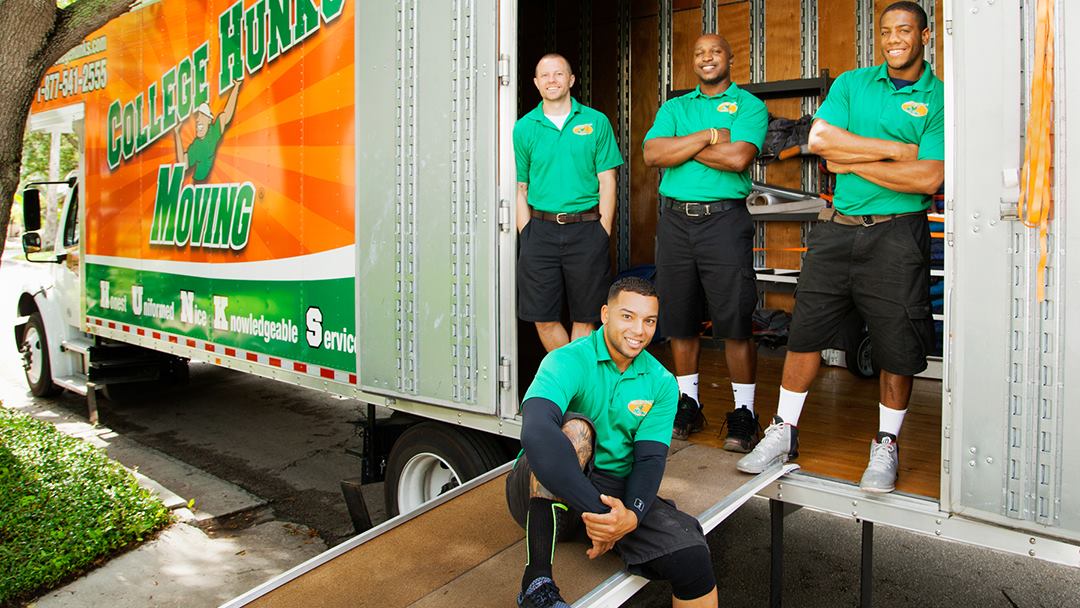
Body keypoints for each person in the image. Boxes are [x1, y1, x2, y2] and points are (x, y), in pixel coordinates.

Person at [736, 1, 945, 494]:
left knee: (896, 339)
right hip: (837, 229)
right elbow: (823, 139)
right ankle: (784, 432)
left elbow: (930, 176)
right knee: (806, 331)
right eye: (887, 31)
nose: (894, 39)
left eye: (905, 31)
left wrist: (856, 160)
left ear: (925, 35)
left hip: (897, 233)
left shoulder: (937, 96)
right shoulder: (852, 83)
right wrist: (895, 150)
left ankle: (887, 444)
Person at [507, 277, 718, 608]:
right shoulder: (567, 360)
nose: (639, 330)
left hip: (611, 490)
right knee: (577, 430)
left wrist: (630, 517)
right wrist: (603, 515)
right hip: (540, 486)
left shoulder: (661, 382)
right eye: (628, 316)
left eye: (649, 321)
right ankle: (536, 583)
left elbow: (649, 460)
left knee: (693, 558)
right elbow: (536, 434)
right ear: (605, 314)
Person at [642, 34, 767, 448]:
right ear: (692, 62)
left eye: (715, 51)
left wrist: (683, 146)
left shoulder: (749, 106)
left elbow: (737, 158)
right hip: (676, 222)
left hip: (724, 222)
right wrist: (711, 135)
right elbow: (652, 154)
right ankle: (688, 405)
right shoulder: (675, 106)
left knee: (733, 320)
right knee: (680, 318)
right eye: (699, 53)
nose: (707, 58)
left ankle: (745, 413)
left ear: (731, 57)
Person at [514, 54, 623, 352]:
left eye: (559, 74)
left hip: (587, 229)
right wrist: (526, 231)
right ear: (536, 83)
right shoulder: (524, 128)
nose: (552, 80)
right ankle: (572, 379)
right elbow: (519, 187)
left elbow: (608, 181)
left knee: (586, 316)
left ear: (571, 80)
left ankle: (576, 391)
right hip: (540, 230)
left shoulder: (595, 121)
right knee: (543, 317)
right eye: (545, 75)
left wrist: (603, 229)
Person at [173, 78, 242, 182]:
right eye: (198, 116)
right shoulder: (196, 145)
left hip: (206, 183)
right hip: (196, 184)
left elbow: (226, 114)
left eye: (202, 116)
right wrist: (177, 134)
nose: (198, 120)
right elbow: (183, 162)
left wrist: (236, 87)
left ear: (209, 120)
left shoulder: (214, 132)